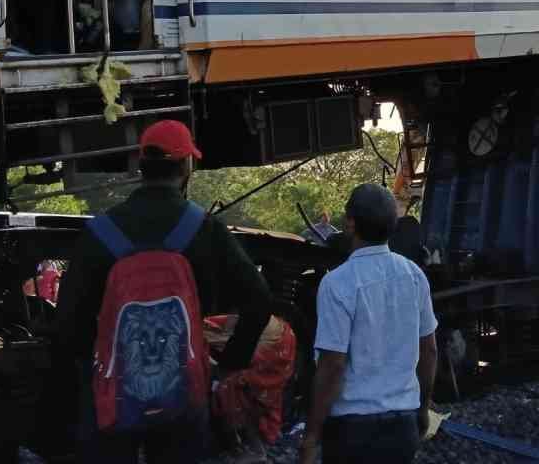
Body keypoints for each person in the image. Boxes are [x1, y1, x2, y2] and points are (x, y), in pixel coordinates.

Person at [56, 120, 273, 464]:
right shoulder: (204, 228)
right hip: (184, 391)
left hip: (113, 394)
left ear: (141, 165)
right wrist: (230, 364)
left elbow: (67, 324)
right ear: (187, 165)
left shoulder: (100, 233)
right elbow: (259, 299)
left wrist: (95, 371)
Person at [300, 184, 438, 464]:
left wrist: (312, 435)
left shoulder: (337, 283)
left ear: (351, 223)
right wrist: (423, 409)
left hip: (352, 432)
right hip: (403, 427)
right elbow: (429, 351)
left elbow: (332, 365)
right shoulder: (414, 275)